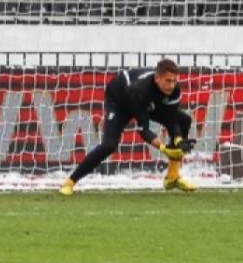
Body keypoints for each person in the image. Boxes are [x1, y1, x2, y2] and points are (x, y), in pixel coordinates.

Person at [59, 59, 197, 195]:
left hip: (144, 103)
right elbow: (143, 130)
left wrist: (179, 141)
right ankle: (70, 182)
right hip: (120, 101)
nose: (172, 85)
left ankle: (172, 177)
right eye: (168, 81)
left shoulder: (174, 91)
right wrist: (164, 149)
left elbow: (171, 120)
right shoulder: (140, 90)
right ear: (157, 78)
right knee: (109, 145)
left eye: (174, 81)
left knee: (184, 120)